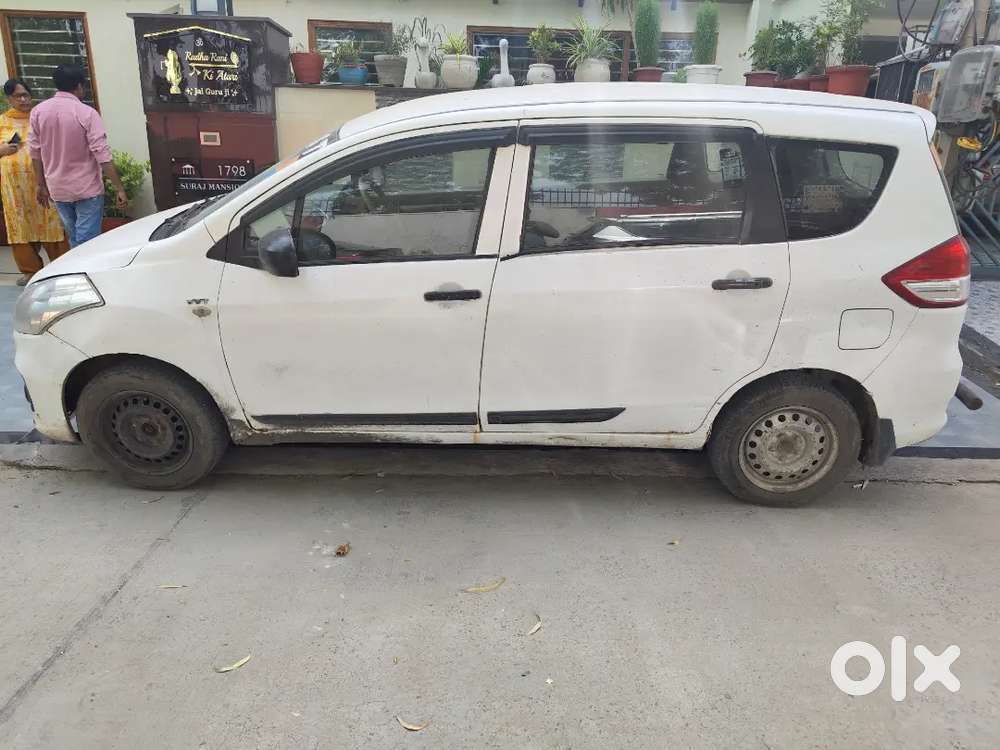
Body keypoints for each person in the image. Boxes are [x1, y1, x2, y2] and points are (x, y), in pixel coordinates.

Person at [27, 64, 127, 247]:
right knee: (87, 243)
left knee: (75, 238)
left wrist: (40, 184)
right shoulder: (86, 113)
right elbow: (102, 153)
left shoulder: (38, 112)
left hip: (58, 188)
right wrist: (119, 188)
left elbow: (35, 152)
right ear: (79, 86)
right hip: (86, 188)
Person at [0, 79, 68, 286]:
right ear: (9, 99)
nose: (23, 100)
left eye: (26, 95)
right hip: (14, 188)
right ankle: (31, 271)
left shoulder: (40, 116)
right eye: (18, 96)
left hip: (43, 182)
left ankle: (63, 267)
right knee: (19, 226)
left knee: (51, 222)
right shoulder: (2, 121)